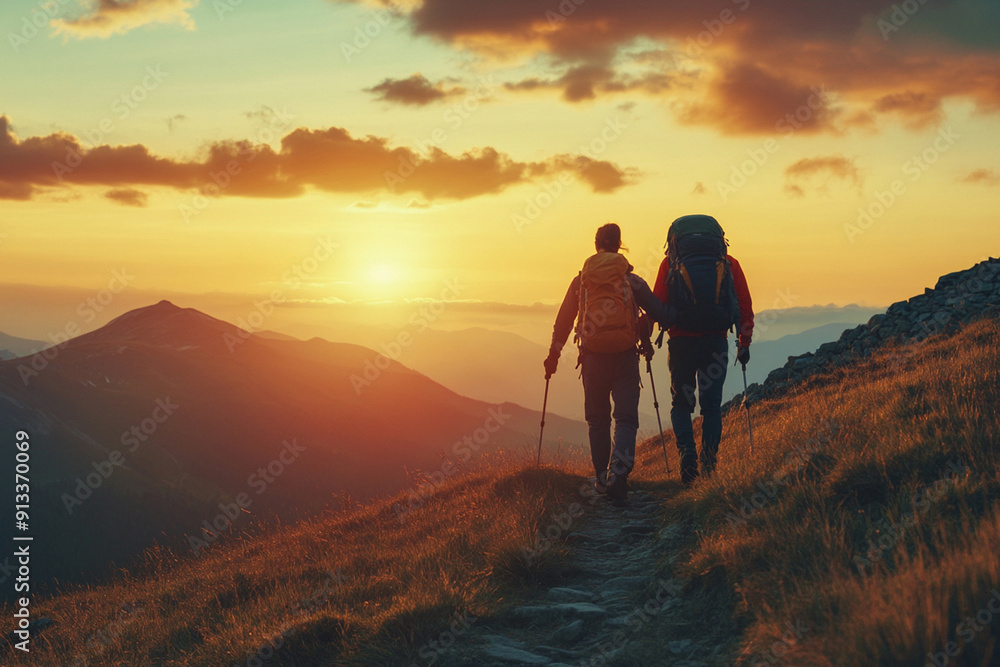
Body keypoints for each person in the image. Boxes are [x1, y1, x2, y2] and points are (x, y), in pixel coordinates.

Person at [544, 223, 672, 502]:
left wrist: (553, 356)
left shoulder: (581, 282)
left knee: (598, 420)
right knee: (625, 418)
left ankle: (601, 477)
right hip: (625, 356)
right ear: (619, 245)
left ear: (596, 245)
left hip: (593, 358)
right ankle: (619, 475)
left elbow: (563, 322)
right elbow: (660, 312)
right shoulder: (631, 280)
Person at [652, 214, 754, 485]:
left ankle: (687, 453)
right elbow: (744, 304)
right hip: (715, 341)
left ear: (674, 241)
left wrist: (649, 334)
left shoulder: (669, 264)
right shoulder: (729, 264)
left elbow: (657, 303)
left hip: (681, 342)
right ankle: (708, 464)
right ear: (719, 239)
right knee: (711, 407)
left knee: (681, 404)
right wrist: (744, 342)